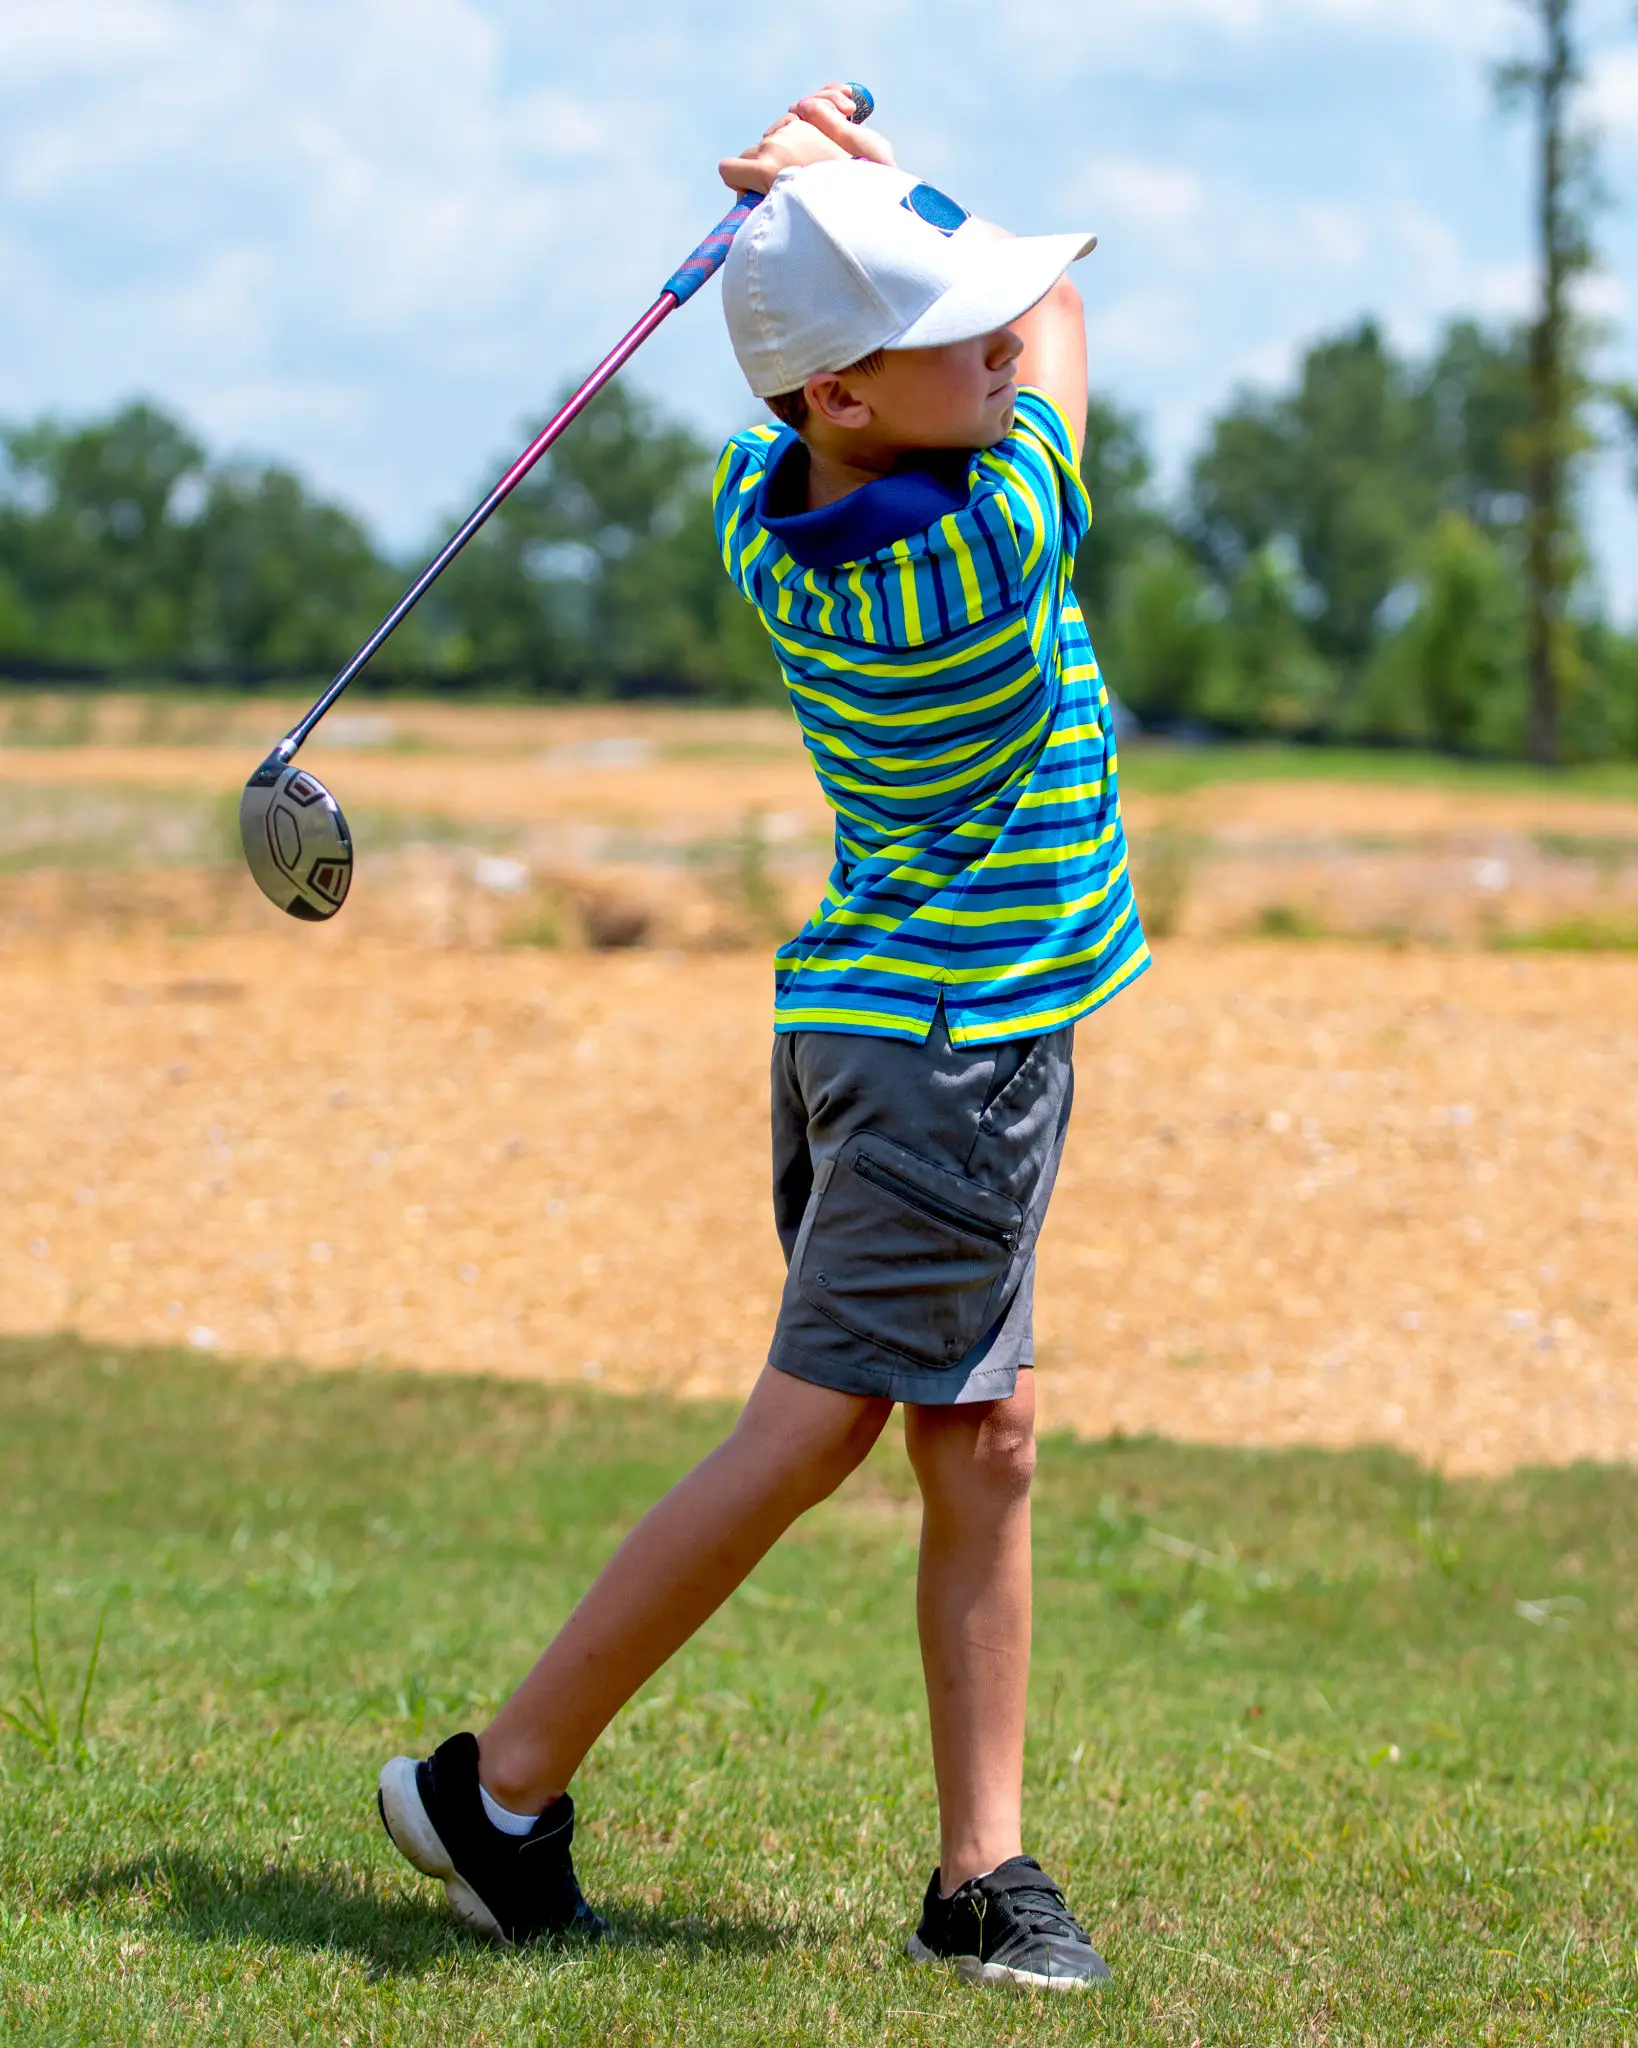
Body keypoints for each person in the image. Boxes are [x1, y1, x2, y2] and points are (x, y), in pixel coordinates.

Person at [377, 83, 1149, 1993]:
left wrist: (813, 222)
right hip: (954, 1055)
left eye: (963, 310)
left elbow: (894, 363)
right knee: (807, 1437)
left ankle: (982, 1870)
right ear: (844, 397)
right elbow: (1063, 337)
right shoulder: (980, 547)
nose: (988, 334)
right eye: (932, 327)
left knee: (981, 1434)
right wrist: (850, 190)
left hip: (875, 1036)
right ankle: (501, 1782)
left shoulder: (764, 507)